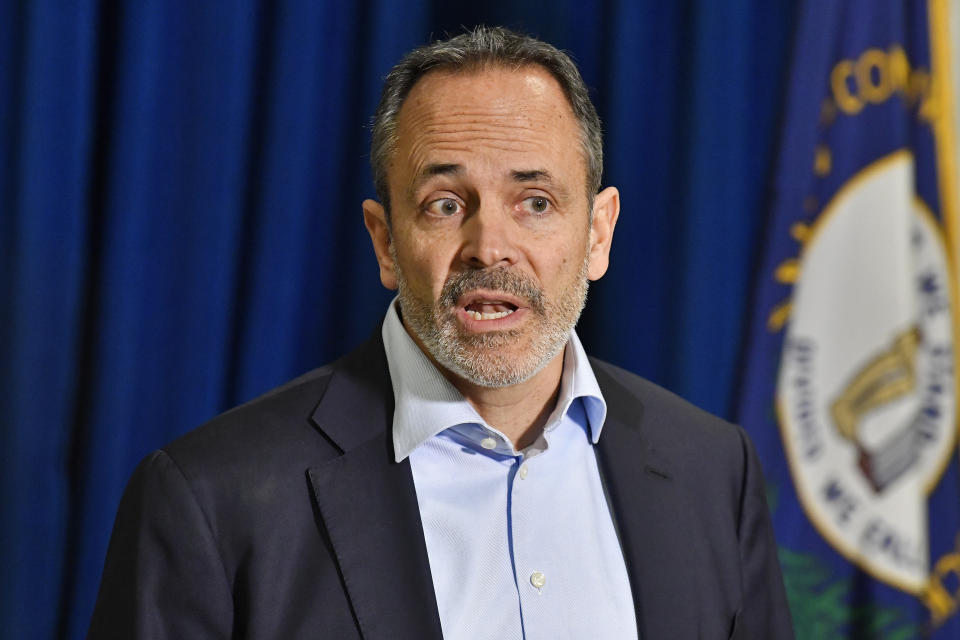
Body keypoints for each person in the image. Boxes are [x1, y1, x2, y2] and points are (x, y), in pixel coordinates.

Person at [89, 26, 793, 639]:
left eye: (536, 201)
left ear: (598, 235)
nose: (491, 246)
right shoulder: (210, 499)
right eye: (445, 203)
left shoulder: (712, 472)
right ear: (386, 242)